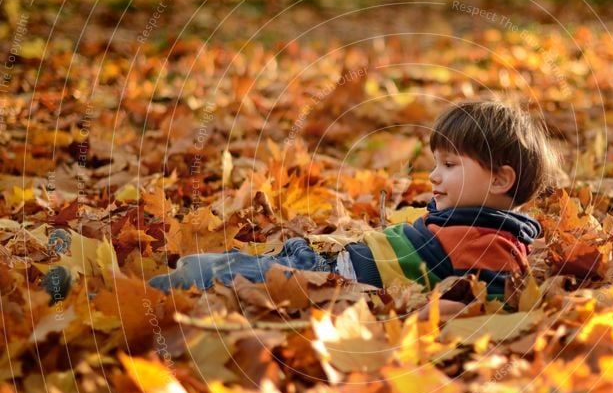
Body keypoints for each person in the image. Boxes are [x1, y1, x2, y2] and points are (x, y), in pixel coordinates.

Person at [148, 100, 560, 317]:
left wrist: (423, 318)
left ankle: (107, 295)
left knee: (214, 277)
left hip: (328, 279)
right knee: (217, 265)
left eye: (450, 166)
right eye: (436, 163)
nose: (434, 176)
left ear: (501, 180)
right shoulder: (471, 219)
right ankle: (139, 288)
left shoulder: (495, 242)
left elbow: (489, 304)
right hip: (322, 260)